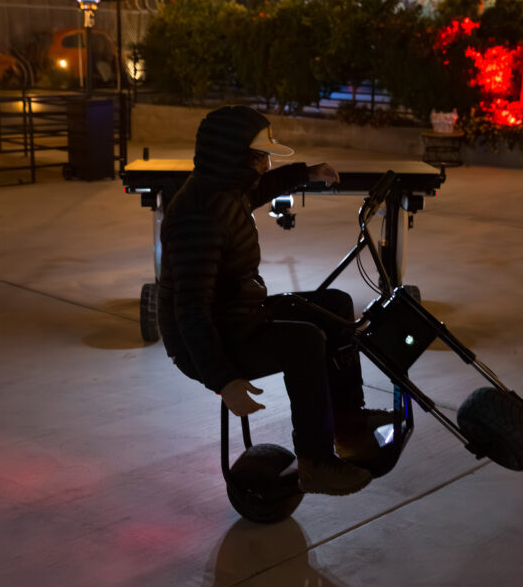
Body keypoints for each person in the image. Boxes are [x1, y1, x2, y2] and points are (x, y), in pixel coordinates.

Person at [157, 105, 389, 496]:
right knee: (304, 342)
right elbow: (191, 310)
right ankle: (316, 463)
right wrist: (223, 379)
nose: (265, 165)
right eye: (260, 156)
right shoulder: (199, 216)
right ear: (234, 156)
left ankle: (347, 422)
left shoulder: (225, 190)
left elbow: (258, 189)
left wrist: (306, 173)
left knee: (334, 304)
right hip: (208, 342)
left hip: (238, 314)